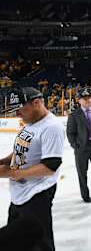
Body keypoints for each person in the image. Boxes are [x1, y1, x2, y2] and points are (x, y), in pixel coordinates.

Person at [0, 87, 64, 251]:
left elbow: (50, 166)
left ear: (36, 103)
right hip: (19, 196)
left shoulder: (52, 127)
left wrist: (14, 173)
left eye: (20, 110)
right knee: (15, 243)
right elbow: (22, 149)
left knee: (40, 245)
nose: (17, 115)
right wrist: (5, 161)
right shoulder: (30, 122)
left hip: (36, 197)